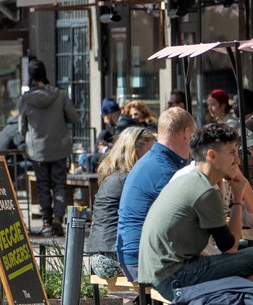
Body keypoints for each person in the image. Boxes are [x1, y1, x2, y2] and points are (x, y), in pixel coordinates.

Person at [137, 123, 253, 305]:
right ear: (212, 156)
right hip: (176, 278)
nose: (238, 160)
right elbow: (230, 247)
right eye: (232, 153)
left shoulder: (190, 179)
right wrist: (238, 197)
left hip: (165, 274)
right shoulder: (205, 191)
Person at [116, 107, 195, 280]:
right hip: (145, 262)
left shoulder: (152, 160)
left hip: (132, 258)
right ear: (187, 133)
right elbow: (188, 223)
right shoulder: (166, 170)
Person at [85, 127, 156, 279]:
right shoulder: (129, 180)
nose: (154, 156)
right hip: (113, 257)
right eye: (151, 151)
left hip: (98, 256)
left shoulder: (114, 176)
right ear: (136, 151)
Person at [17, 59, 77, 237]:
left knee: (43, 186)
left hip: (37, 150)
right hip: (59, 147)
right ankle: (58, 217)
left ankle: (46, 223)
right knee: (59, 184)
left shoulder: (25, 99)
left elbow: (21, 127)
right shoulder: (60, 95)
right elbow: (74, 117)